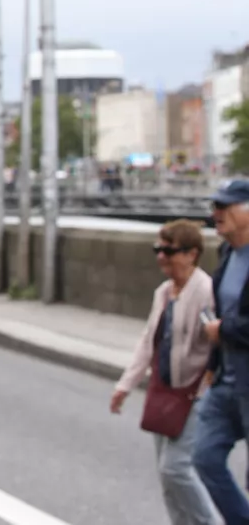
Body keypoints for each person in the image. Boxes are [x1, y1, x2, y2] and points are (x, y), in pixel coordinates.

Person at [111, 220, 218, 524]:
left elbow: (216, 342)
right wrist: (125, 385)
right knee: (166, 477)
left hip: (195, 393)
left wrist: (209, 382)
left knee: (176, 468)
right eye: (158, 249)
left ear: (191, 254)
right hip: (165, 390)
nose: (161, 256)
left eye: (169, 250)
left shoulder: (205, 290)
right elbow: (148, 341)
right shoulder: (163, 292)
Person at [194, 179, 249, 522]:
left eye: (224, 206)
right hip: (226, 379)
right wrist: (212, 364)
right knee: (204, 457)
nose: (216, 213)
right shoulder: (227, 252)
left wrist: (224, 330)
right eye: (214, 206)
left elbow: (228, 323)